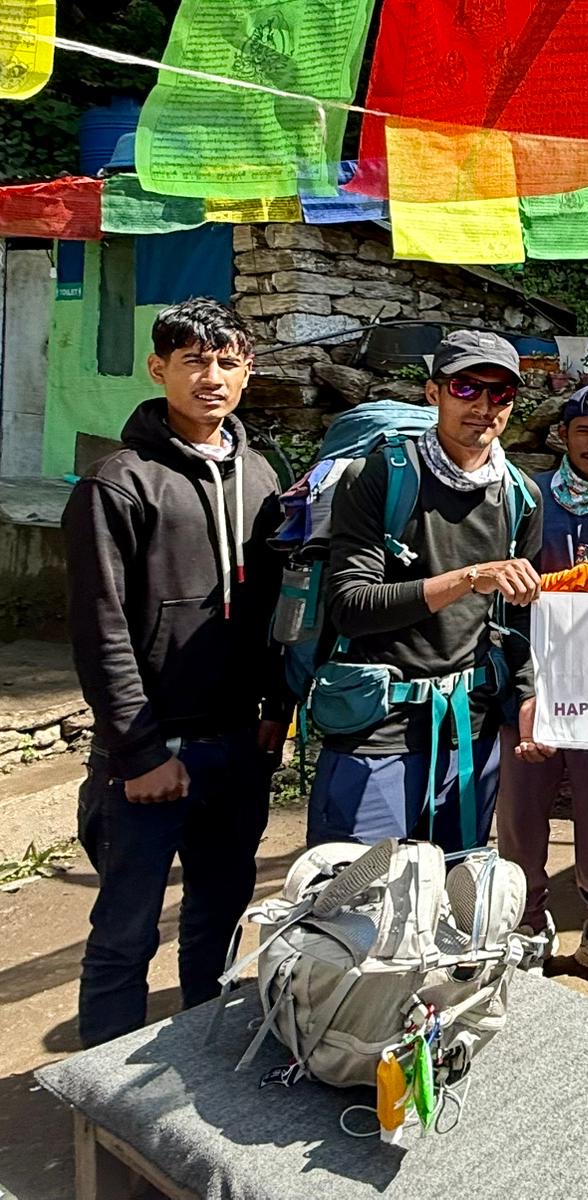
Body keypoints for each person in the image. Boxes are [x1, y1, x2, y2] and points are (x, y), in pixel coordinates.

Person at [64, 298, 290, 1048]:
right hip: (149, 757)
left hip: (236, 747)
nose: (211, 377)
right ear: (159, 369)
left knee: (219, 925)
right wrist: (140, 753)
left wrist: (274, 709)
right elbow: (101, 631)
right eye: (193, 360)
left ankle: (204, 1065)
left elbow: (275, 610)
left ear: (248, 372)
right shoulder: (117, 484)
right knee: (126, 934)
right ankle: (105, 1103)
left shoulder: (262, 477)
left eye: (227, 362)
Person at [308, 330, 542, 855]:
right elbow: (352, 606)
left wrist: (527, 695)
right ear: (432, 393)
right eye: (466, 388)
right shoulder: (379, 476)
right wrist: (467, 578)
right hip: (378, 729)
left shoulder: (520, 495)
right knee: (357, 910)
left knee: (456, 907)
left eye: (500, 394)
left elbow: (520, 620)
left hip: (469, 730)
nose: (484, 406)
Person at [496, 382, 588, 991]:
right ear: (562, 435)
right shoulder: (527, 496)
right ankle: (527, 924)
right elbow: (505, 591)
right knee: (521, 809)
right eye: (582, 431)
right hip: (531, 677)